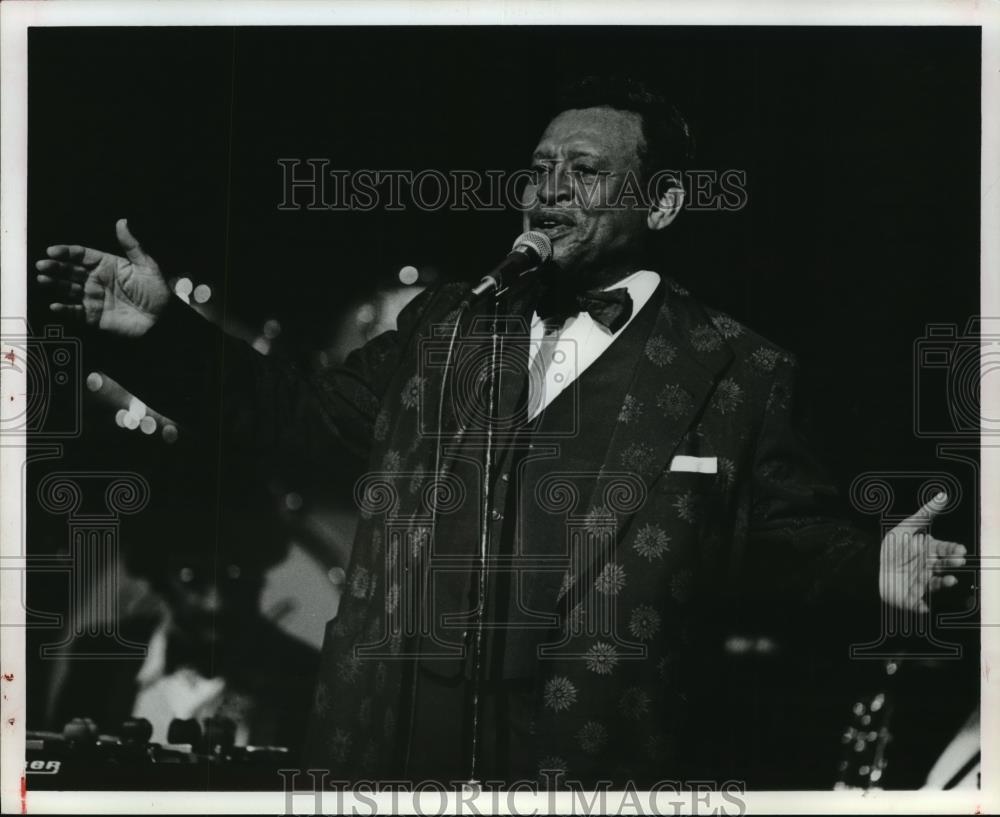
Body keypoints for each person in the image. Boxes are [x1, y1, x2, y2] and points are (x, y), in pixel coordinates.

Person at [35, 75, 967, 788]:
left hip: (593, 761)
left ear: (665, 202)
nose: (549, 192)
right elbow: (296, 416)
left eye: (586, 173)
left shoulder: (737, 369)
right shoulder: (450, 323)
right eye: (540, 170)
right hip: (390, 749)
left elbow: (784, 541)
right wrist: (165, 335)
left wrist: (874, 567)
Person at [43, 476, 320, 757]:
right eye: (191, 577)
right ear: (157, 576)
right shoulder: (101, 655)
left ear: (259, 573)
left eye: (235, 574)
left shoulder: (304, 674)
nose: (215, 604)